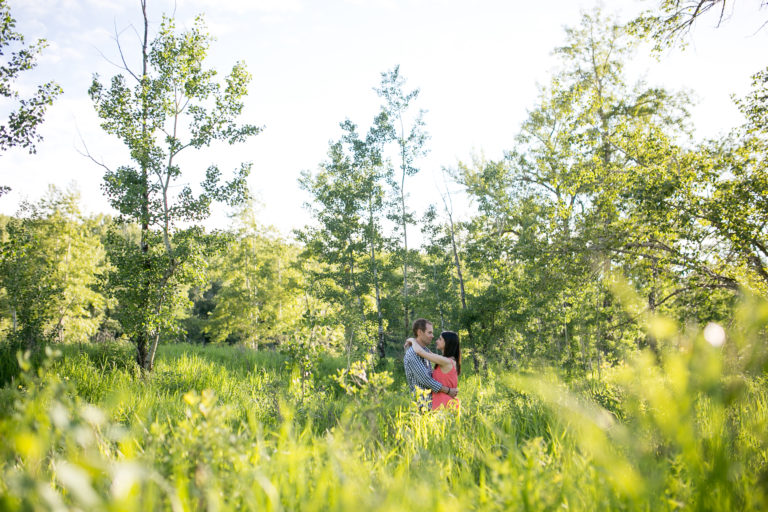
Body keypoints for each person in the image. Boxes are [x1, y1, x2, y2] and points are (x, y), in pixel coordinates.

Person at [403, 318, 458, 410]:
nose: (432, 336)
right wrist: (448, 391)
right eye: (429, 332)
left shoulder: (424, 351)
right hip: (423, 403)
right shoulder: (413, 353)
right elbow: (426, 380)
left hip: (434, 402)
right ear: (420, 332)